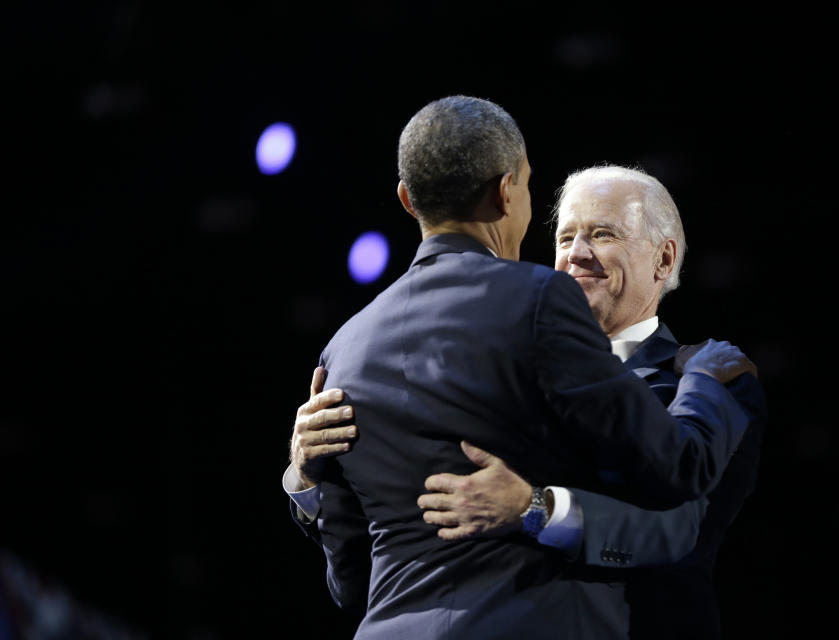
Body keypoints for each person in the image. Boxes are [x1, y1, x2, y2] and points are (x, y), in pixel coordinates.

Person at [285, 96, 753, 640]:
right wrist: (703, 381)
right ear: (507, 191)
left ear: (408, 200)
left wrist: (303, 478)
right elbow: (680, 469)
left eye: (602, 234)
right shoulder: (538, 304)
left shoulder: (345, 348)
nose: (576, 253)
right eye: (564, 233)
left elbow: (353, 583)